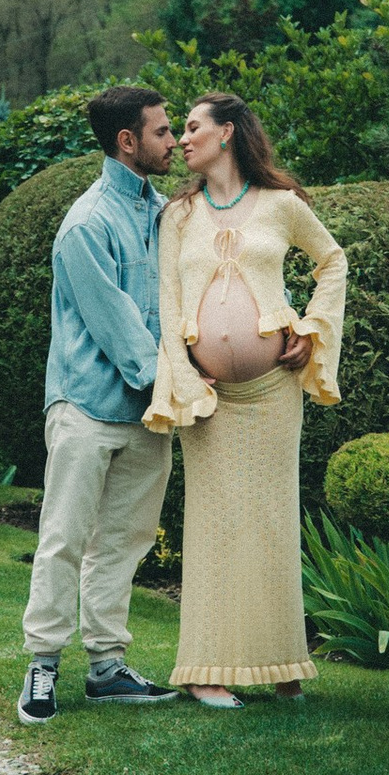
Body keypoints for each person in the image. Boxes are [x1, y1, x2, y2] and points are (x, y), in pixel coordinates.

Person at [147, 93, 347, 707]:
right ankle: (206, 669)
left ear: (227, 133)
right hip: (211, 400)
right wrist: (181, 372)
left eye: (192, 127)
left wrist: (312, 330)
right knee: (212, 527)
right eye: (178, 130)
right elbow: (168, 303)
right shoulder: (178, 214)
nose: (181, 139)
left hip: (272, 395)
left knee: (272, 523)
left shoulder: (282, 206)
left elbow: (333, 263)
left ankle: (284, 665)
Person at [17, 86, 183, 726]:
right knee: (64, 539)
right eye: (164, 132)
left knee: (125, 542)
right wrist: (178, 384)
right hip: (87, 407)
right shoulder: (87, 224)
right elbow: (119, 329)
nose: (173, 142)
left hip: (148, 415)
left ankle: (108, 668)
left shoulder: (164, 214)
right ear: (128, 142)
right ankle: (43, 666)